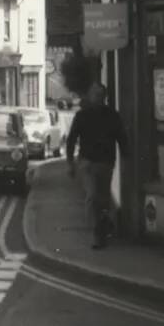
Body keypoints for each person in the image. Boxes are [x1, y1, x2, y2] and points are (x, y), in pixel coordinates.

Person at [66, 82, 128, 249]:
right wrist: (70, 163)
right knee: (92, 196)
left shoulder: (112, 116)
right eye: (95, 94)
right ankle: (96, 233)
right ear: (90, 96)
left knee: (103, 199)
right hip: (87, 162)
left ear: (105, 97)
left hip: (106, 163)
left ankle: (103, 226)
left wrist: (126, 159)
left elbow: (121, 138)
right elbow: (71, 140)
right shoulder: (82, 115)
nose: (98, 98)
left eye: (101, 95)